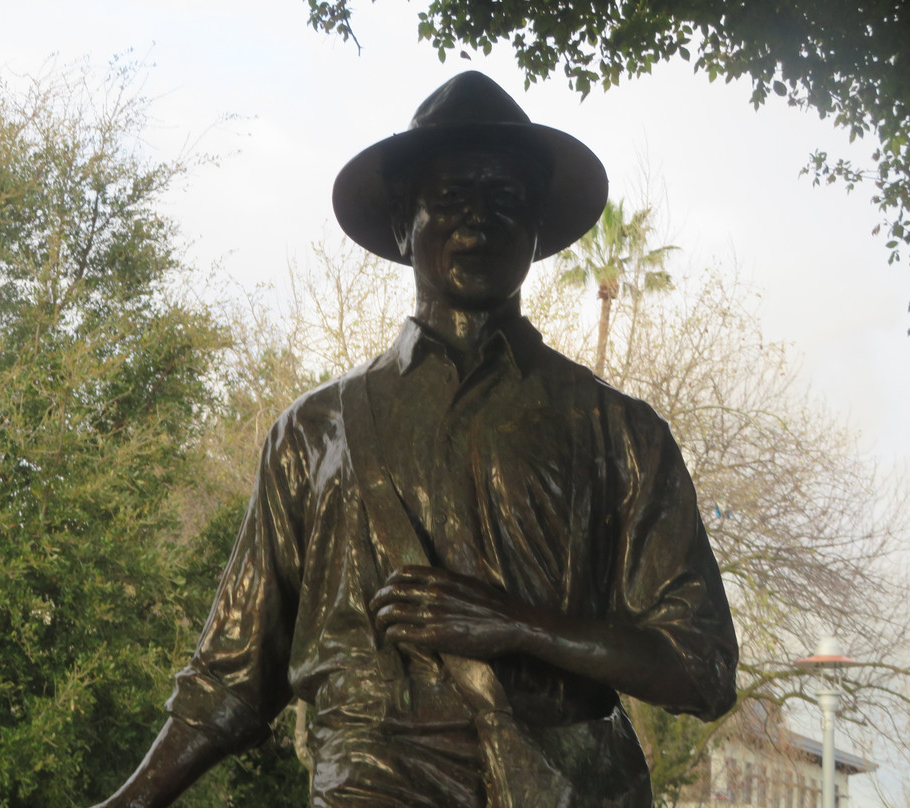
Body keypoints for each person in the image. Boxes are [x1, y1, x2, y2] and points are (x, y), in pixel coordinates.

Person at [92, 71, 738, 808]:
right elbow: (231, 678)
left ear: (535, 229)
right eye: (451, 198)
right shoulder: (314, 433)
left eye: (506, 201)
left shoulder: (618, 432)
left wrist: (519, 627)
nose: (479, 222)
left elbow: (703, 666)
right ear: (404, 221)